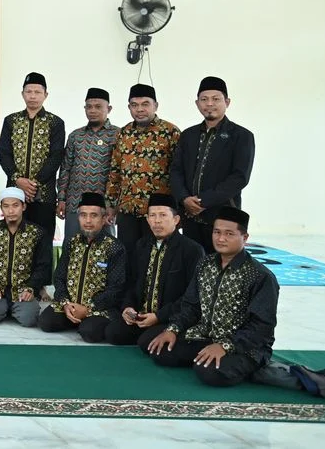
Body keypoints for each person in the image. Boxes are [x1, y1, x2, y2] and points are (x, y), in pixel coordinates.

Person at [146, 206, 279, 387]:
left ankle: (252, 366)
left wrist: (225, 346)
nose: (221, 238)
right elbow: (191, 305)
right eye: (217, 232)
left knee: (209, 372)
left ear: (245, 238)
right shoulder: (205, 264)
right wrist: (173, 329)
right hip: (205, 336)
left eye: (229, 234)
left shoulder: (260, 276)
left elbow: (262, 327)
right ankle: (207, 356)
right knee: (160, 350)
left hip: (245, 346)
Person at [104, 193, 204, 347]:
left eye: (163, 215)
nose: (157, 221)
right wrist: (128, 307)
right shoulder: (141, 245)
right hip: (141, 315)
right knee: (113, 333)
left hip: (170, 317)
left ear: (176, 220)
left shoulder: (192, 250)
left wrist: (158, 316)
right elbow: (131, 283)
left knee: (145, 342)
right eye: (152, 215)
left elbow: (192, 297)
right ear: (147, 220)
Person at [170, 76, 256, 251]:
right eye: (204, 99)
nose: (209, 104)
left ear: (227, 102)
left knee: (220, 262)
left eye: (216, 99)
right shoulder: (188, 135)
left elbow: (239, 177)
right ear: (197, 103)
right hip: (190, 215)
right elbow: (176, 170)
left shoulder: (241, 136)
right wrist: (184, 199)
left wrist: (203, 201)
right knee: (193, 262)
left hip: (222, 216)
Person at [38, 192, 126, 342]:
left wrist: (88, 309)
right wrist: (65, 303)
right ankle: (73, 316)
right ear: (78, 217)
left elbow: (116, 288)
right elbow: (59, 276)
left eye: (94, 215)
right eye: (83, 215)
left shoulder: (114, 247)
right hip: (69, 304)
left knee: (89, 332)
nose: (88, 221)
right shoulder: (72, 242)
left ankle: (84, 320)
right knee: (46, 322)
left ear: (103, 218)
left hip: (98, 308)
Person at [105, 84, 181, 256]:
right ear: (129, 107)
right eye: (134, 105)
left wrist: (178, 209)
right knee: (128, 258)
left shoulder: (171, 132)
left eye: (145, 104)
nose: (139, 109)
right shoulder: (123, 133)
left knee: (156, 258)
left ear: (156, 105)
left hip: (157, 213)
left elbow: (179, 173)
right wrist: (110, 204)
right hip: (127, 210)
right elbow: (115, 171)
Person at [0, 72, 65, 251]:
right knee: (15, 242)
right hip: (15, 193)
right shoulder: (11, 121)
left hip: (44, 194)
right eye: (29, 92)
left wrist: (32, 185)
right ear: (22, 94)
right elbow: (4, 153)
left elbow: (56, 156)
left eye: (37, 92)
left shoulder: (55, 122)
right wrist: (18, 180)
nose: (33, 96)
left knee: (42, 243)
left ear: (45, 95)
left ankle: (42, 272)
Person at [0, 187, 49, 327]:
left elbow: (43, 265)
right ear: (1, 208)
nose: (11, 211)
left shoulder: (37, 233)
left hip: (23, 290)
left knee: (29, 319)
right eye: (6, 206)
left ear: (23, 207)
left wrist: (31, 288)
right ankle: (3, 308)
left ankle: (14, 309)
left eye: (15, 205)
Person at [56, 88, 118, 241]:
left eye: (98, 107)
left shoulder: (118, 135)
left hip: (103, 205)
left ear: (109, 109)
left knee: (106, 247)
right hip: (75, 203)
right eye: (89, 107)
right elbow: (65, 168)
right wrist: (61, 199)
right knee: (72, 245)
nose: (92, 110)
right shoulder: (76, 136)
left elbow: (119, 173)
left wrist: (113, 204)